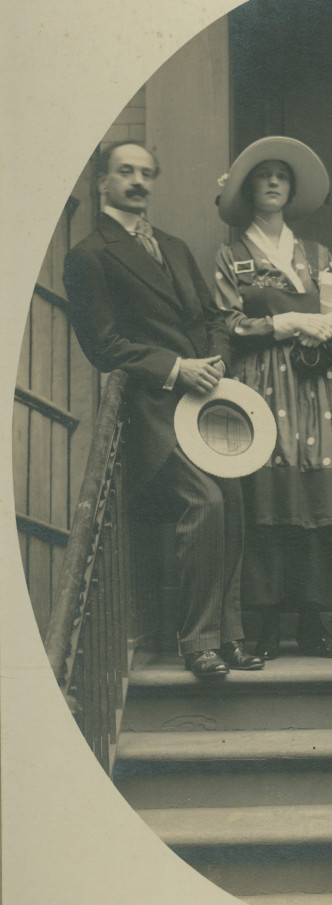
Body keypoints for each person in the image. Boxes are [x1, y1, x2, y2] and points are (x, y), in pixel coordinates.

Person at [63, 141, 263, 679]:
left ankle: (232, 637)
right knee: (206, 503)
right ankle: (197, 642)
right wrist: (178, 367)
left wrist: (216, 357)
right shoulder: (89, 255)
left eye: (147, 173)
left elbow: (211, 314)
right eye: (125, 171)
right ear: (102, 181)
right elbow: (103, 346)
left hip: (206, 399)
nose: (138, 181)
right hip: (151, 411)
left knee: (234, 500)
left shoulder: (172, 246)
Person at [214, 137, 332, 660]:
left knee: (317, 490)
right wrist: (282, 321)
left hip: (313, 385)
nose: (273, 182)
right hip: (261, 384)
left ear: (291, 190)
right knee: (268, 491)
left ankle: (314, 623)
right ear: (249, 188)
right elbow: (228, 322)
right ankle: (267, 624)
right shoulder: (232, 256)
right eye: (262, 175)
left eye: (282, 176)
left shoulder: (317, 255)